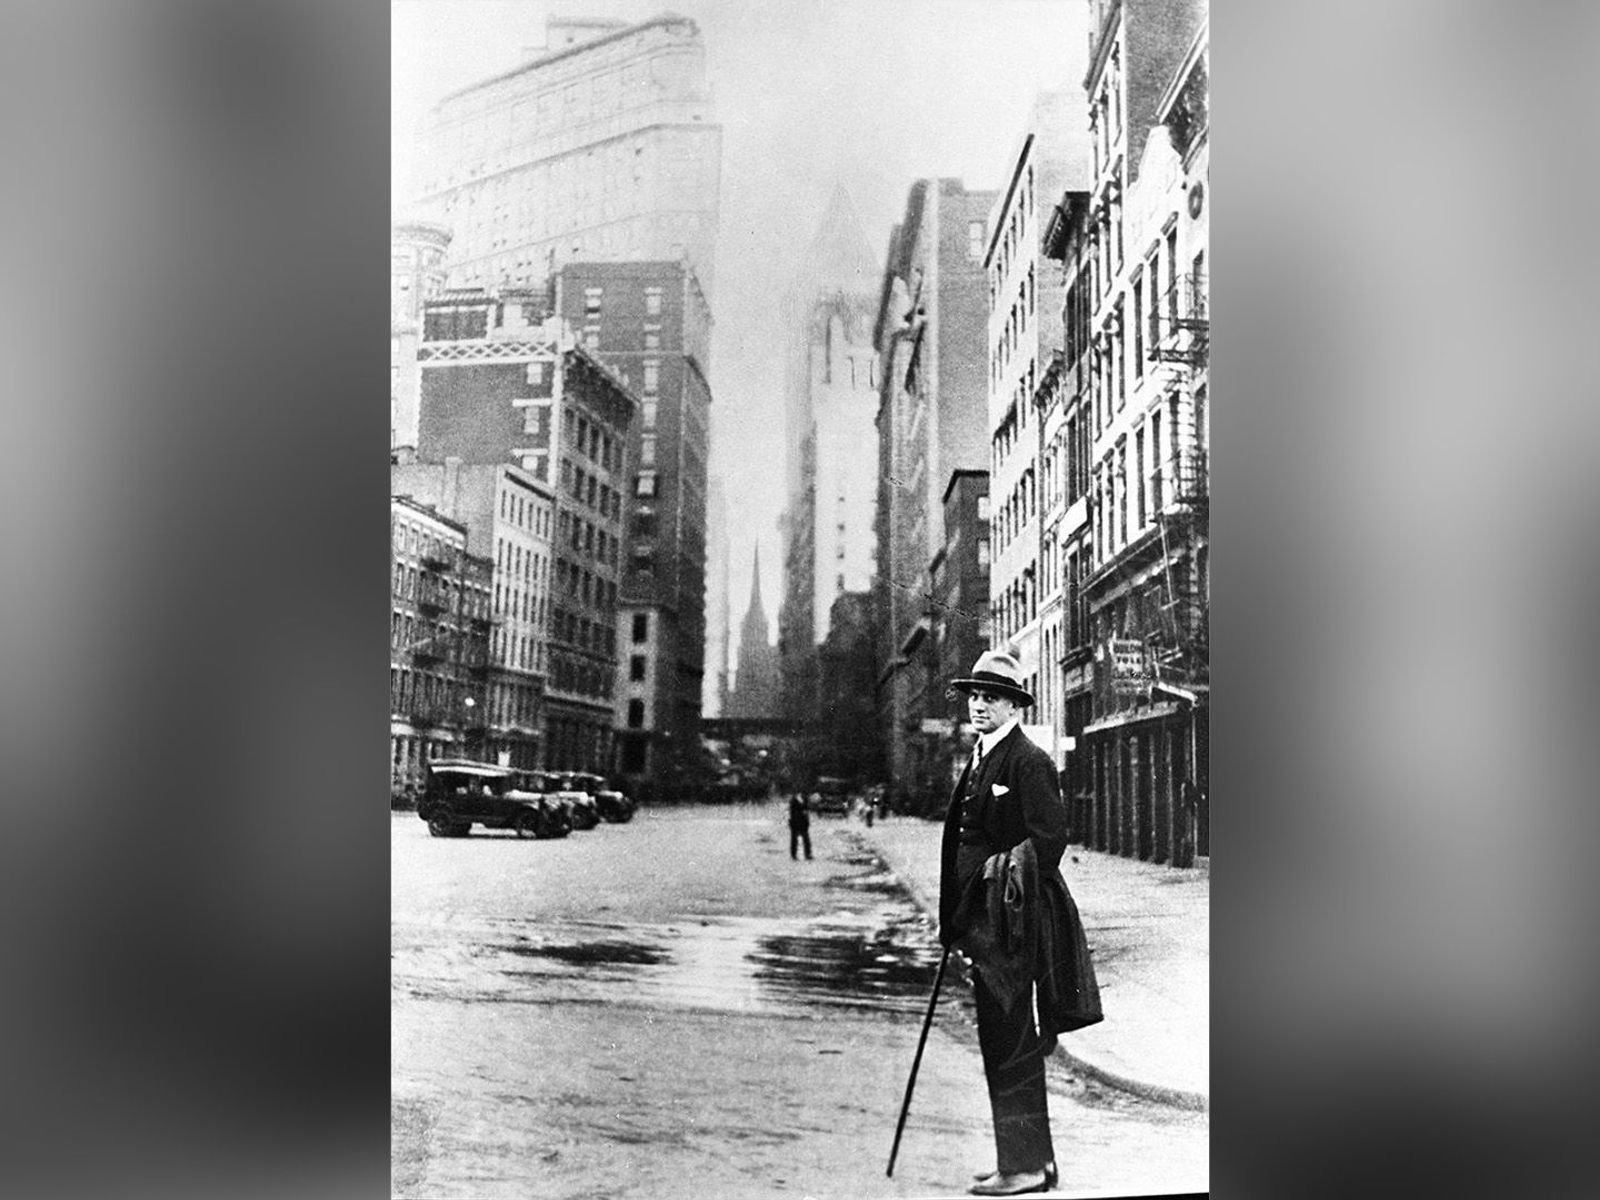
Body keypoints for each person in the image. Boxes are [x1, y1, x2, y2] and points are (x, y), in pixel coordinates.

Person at [939, 650, 1103, 1196]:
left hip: (1012, 923)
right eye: (974, 696)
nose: (979, 705)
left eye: (991, 697)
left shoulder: (1027, 760)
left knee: (1009, 1041)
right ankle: (1032, 1160)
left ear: (1014, 705)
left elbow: (1049, 840)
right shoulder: (982, 755)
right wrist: (956, 918)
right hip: (983, 925)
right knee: (1001, 1039)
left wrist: (994, 879)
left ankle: (1024, 1167)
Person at [788, 792, 812, 861]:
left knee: (806, 839)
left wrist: (807, 821)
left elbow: (807, 810)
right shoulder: (793, 800)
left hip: (803, 822)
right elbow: (792, 812)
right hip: (795, 822)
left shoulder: (805, 799)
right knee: (794, 840)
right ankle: (793, 855)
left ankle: (808, 854)